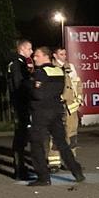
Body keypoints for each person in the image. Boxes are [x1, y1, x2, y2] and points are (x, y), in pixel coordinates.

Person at [27, 47, 85, 186]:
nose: (34, 58)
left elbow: (37, 94)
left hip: (41, 113)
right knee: (62, 143)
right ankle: (77, 172)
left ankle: (43, 177)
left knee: (36, 144)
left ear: (46, 56)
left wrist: (30, 87)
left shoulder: (40, 73)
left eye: (37, 56)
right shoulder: (59, 71)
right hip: (56, 111)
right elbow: (62, 90)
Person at [46, 47, 83, 171]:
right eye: (61, 54)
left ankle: (70, 162)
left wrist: (79, 99)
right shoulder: (51, 68)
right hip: (58, 107)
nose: (64, 56)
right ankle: (54, 163)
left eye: (65, 54)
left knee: (72, 136)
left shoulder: (70, 67)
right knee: (56, 136)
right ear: (55, 55)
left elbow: (77, 83)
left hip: (71, 109)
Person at [6, 39, 33, 180]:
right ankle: (19, 170)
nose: (32, 51)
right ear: (22, 49)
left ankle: (21, 168)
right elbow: (19, 85)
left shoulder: (18, 63)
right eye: (29, 49)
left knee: (22, 136)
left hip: (20, 104)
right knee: (21, 137)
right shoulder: (18, 64)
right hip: (21, 105)